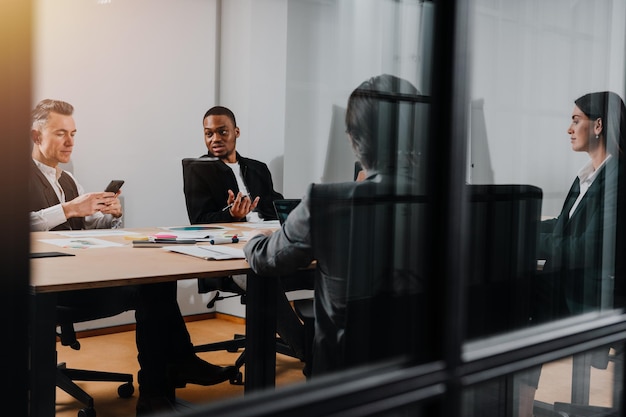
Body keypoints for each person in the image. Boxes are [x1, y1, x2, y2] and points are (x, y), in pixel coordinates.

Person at [29, 99, 237, 416]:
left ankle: (160, 386)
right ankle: (176, 368)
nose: (70, 141)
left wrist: (111, 216)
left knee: (157, 281)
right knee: (151, 289)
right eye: (60, 133)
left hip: (79, 277)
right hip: (43, 292)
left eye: (73, 133)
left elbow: (83, 228)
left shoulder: (68, 181)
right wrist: (70, 208)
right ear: (35, 136)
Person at [243, 75, 429, 375]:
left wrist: (252, 242)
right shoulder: (464, 200)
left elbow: (268, 260)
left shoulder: (327, 201)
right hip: (432, 371)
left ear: (354, 139)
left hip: (346, 379)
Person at [518, 91, 626, 417]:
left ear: (598, 126)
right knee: (517, 296)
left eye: (575, 120)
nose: (569, 128)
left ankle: (518, 404)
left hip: (590, 297)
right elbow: (562, 226)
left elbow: (587, 248)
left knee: (519, 310)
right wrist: (520, 226)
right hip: (573, 285)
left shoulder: (618, 177)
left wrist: (526, 243)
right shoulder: (589, 176)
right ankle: (517, 402)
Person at [183, 105, 308, 363]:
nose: (215, 139)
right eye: (208, 134)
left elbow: (274, 203)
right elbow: (199, 220)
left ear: (236, 132)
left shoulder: (258, 168)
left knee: (315, 267)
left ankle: (325, 340)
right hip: (233, 250)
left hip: (268, 240)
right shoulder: (198, 169)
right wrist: (232, 216)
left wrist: (291, 214)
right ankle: (308, 349)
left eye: (222, 132)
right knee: (261, 276)